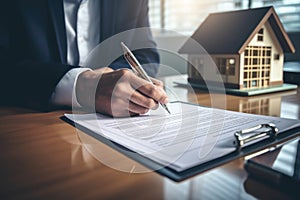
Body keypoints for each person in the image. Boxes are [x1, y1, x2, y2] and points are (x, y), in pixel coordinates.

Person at [0, 0, 168, 117]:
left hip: (106, 126)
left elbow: (146, 54)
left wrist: (113, 77)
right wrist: (83, 86)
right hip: (29, 120)